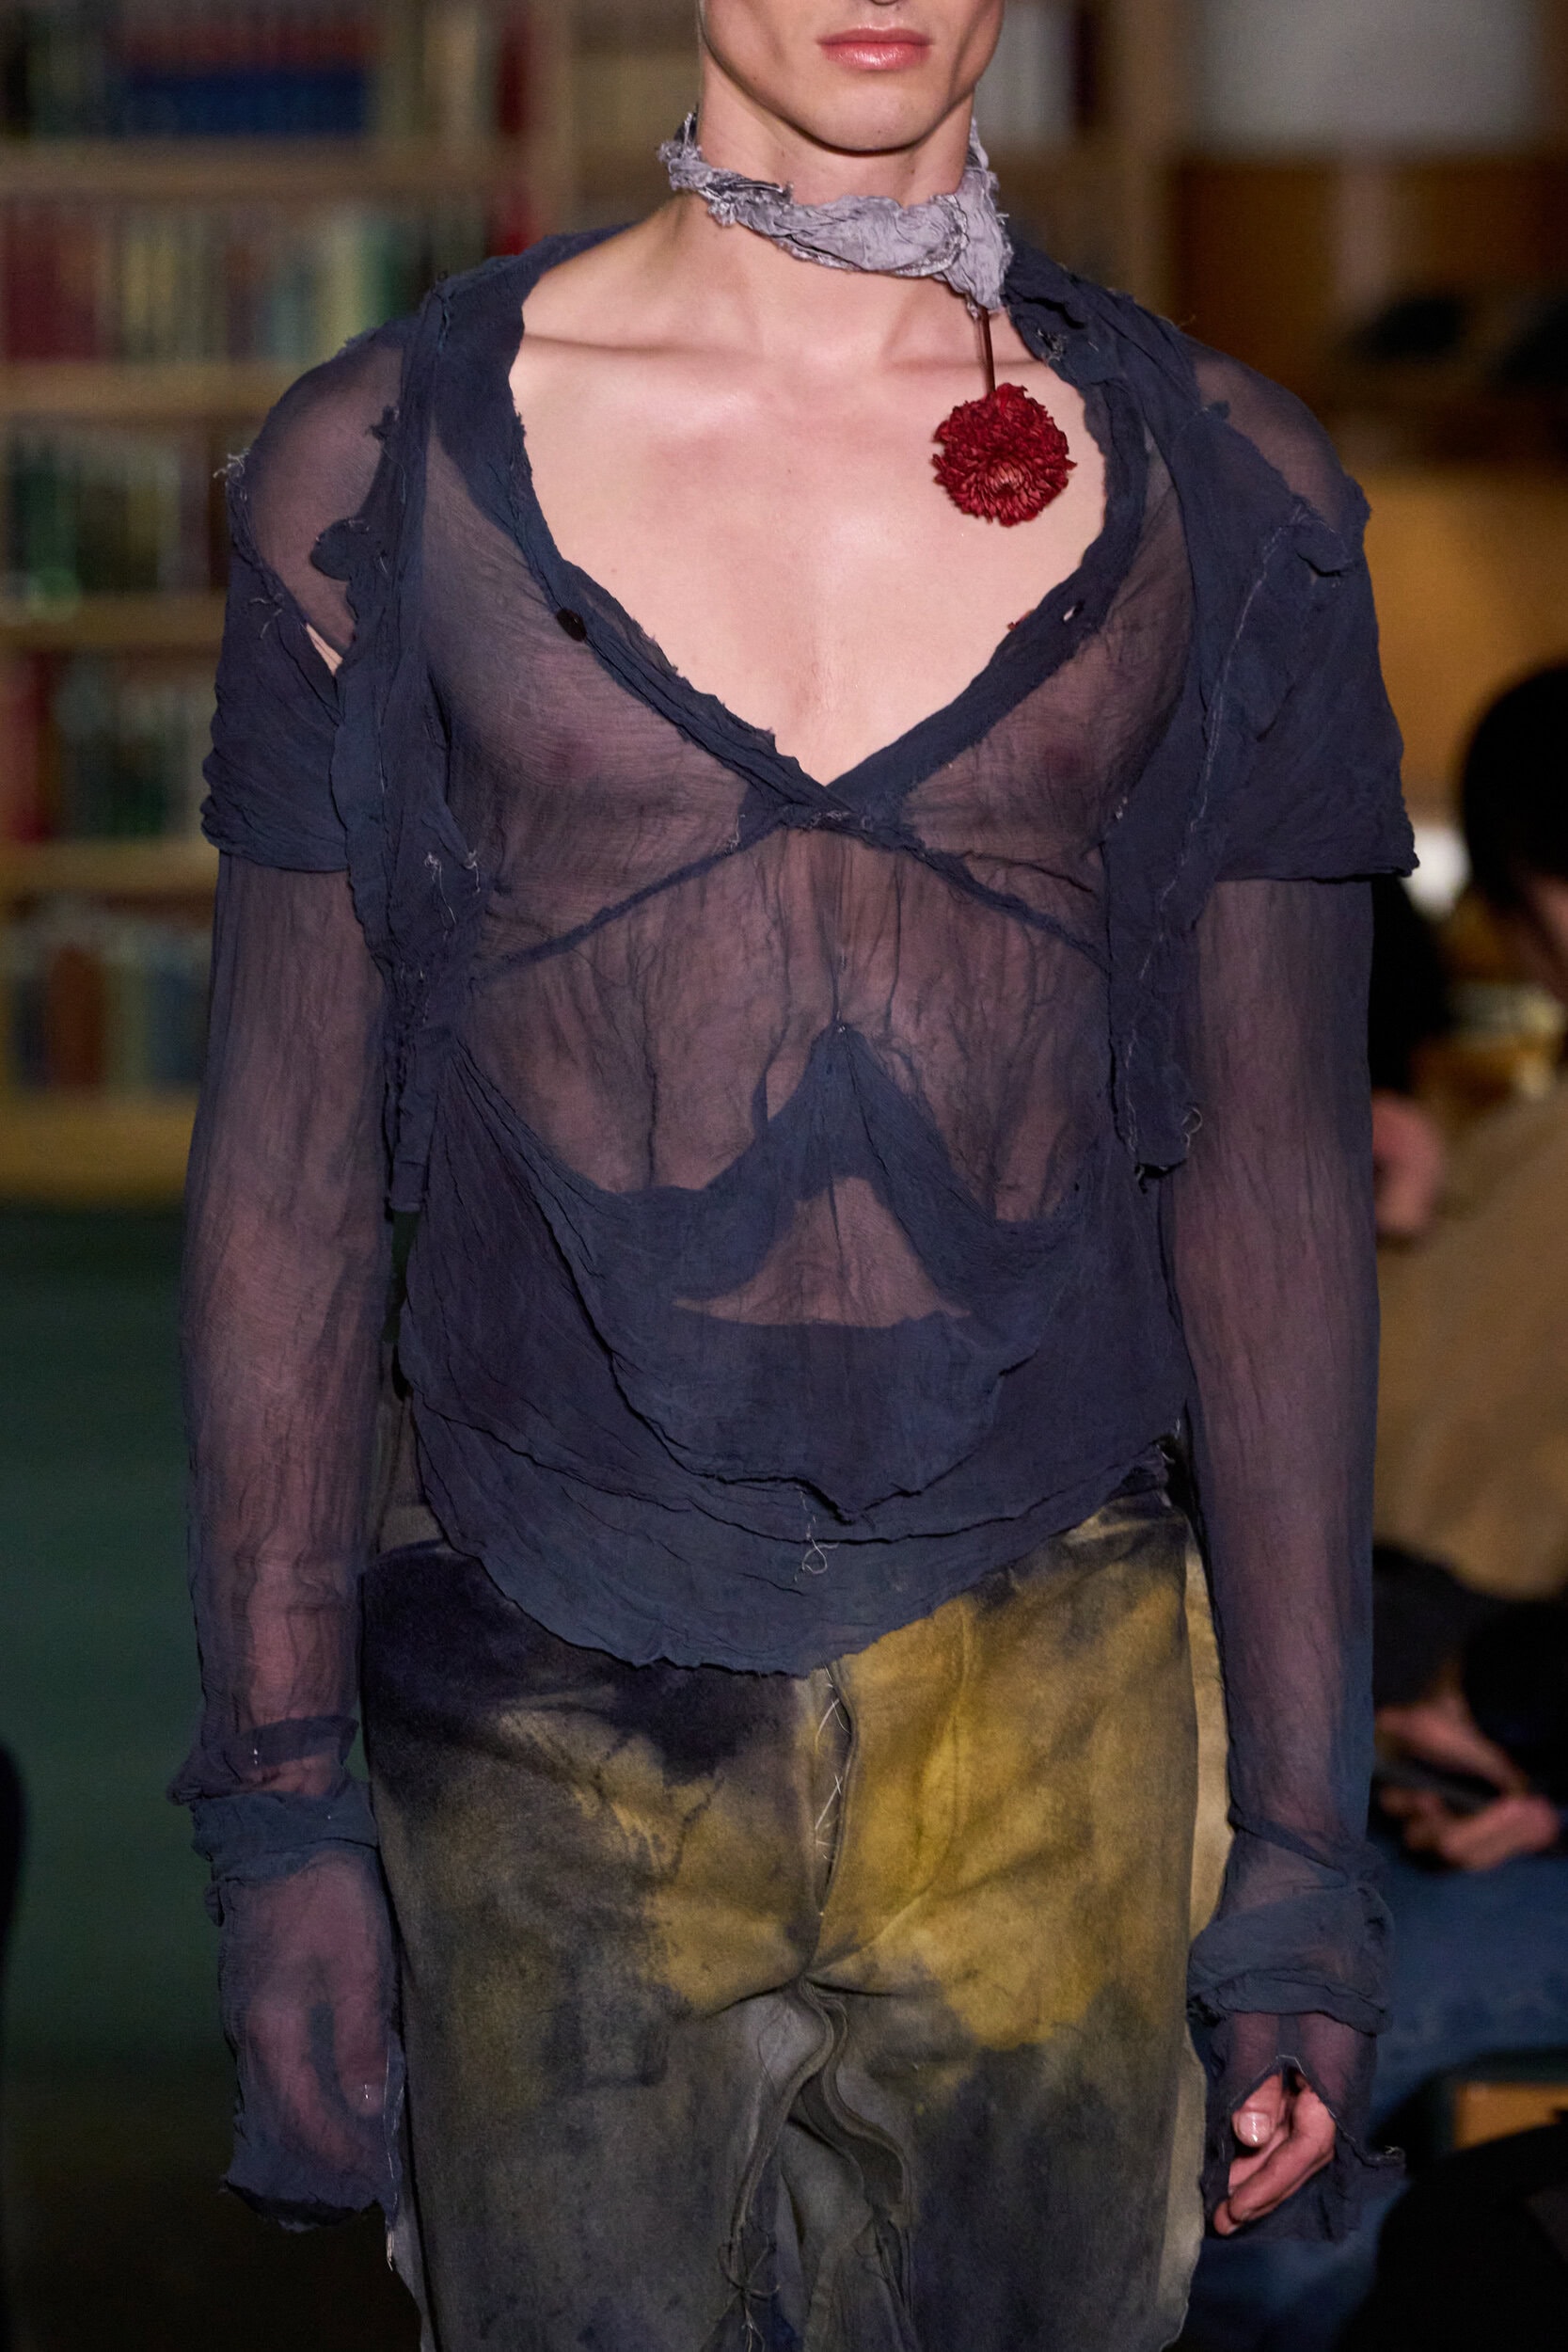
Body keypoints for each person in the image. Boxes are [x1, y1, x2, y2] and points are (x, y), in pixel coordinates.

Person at [172, 6, 1414, 2345]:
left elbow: (1274, 1185)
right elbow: (287, 1179)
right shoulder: (396, 451)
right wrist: (279, 1802)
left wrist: (1304, 1850)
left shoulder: (1218, 475)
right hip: (536, 1670)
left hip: (1065, 1667)